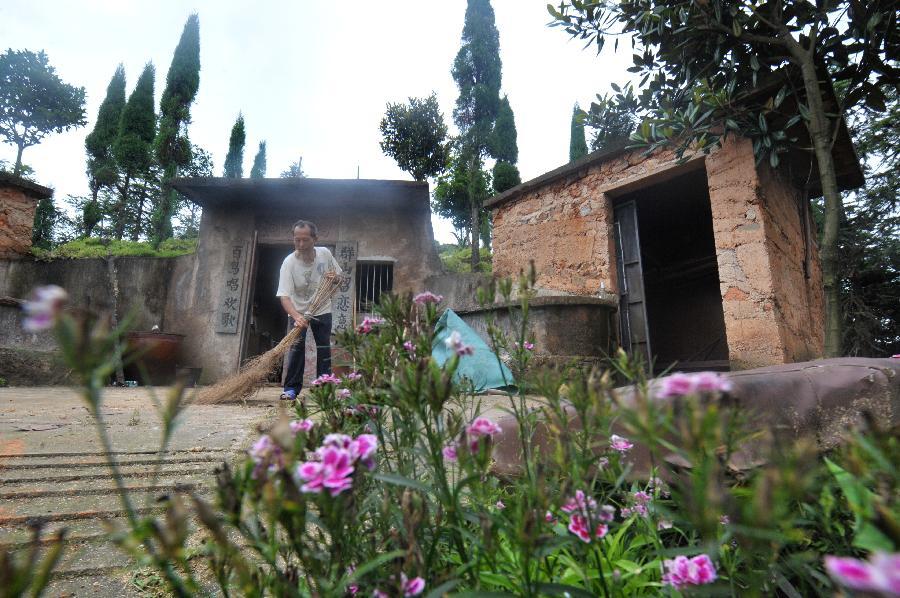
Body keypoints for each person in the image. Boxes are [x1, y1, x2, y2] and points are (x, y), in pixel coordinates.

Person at [275, 220, 342, 400]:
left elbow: (338, 277)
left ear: (315, 239)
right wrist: (297, 317)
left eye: (305, 240)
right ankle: (291, 389)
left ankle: (324, 390)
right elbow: (284, 296)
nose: (301, 245)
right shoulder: (288, 263)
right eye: (297, 240)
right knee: (296, 349)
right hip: (297, 311)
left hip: (322, 308)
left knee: (323, 348)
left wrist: (334, 278)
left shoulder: (325, 254)